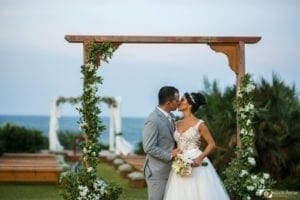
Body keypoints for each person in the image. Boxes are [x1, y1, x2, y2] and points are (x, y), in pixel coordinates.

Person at [164, 92, 230, 200]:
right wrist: (174, 152)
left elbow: (212, 144)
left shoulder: (199, 124)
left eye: (182, 100)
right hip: (180, 162)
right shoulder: (176, 123)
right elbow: (175, 143)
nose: (179, 102)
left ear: (190, 105)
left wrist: (200, 158)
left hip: (196, 162)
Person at [143, 86, 182, 200]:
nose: (179, 102)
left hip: (171, 170)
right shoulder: (153, 120)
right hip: (157, 172)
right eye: (177, 100)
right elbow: (148, 147)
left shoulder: (172, 116)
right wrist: (170, 155)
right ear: (169, 102)